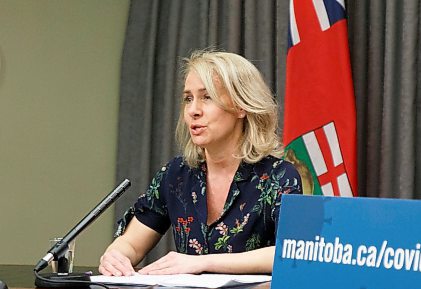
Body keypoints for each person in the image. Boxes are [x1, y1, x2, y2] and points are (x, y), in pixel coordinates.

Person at [99, 50, 302, 276]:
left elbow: (290, 251)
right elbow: (132, 244)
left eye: (207, 97)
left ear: (240, 106)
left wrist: (202, 263)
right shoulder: (176, 174)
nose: (193, 111)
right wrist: (115, 256)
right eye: (188, 99)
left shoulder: (279, 176)